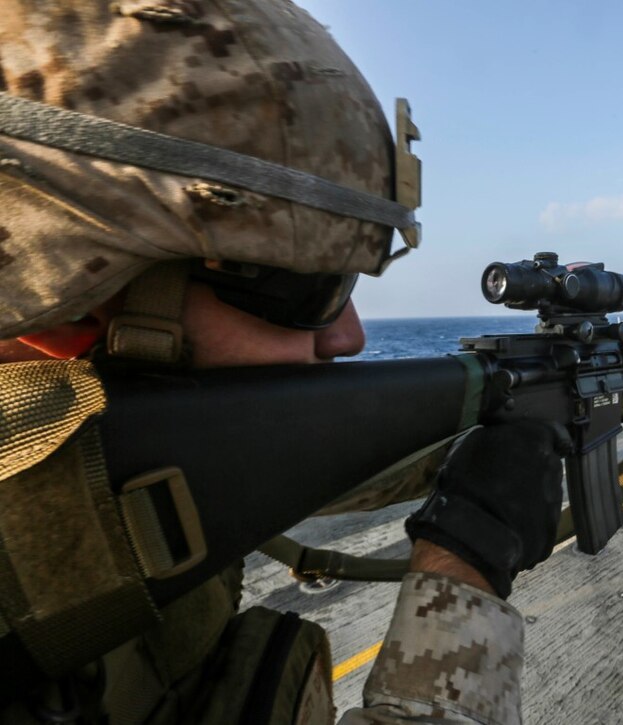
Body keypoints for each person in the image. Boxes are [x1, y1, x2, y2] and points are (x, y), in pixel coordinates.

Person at [0, 1, 564, 723]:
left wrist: (525, 420)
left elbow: (306, 459)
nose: (349, 336)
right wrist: (466, 561)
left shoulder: (91, 448)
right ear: (74, 298)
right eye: (309, 290)